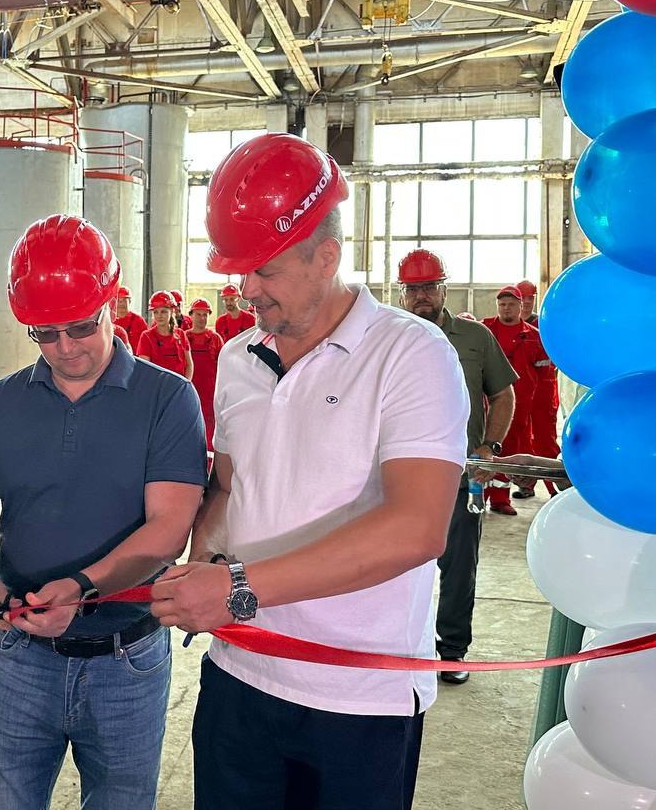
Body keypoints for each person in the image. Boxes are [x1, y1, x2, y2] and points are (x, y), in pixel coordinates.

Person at [150, 133, 469, 810]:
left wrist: (236, 588)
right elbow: (230, 486)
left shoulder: (411, 354)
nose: (245, 289)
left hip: (359, 693)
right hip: (240, 673)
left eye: (263, 270)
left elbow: (416, 528)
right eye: (238, 270)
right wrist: (201, 565)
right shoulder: (237, 358)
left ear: (327, 255)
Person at [0, 214, 207, 810]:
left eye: (81, 326)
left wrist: (82, 587)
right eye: (44, 333)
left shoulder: (167, 399)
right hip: (20, 656)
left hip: (127, 660)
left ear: (111, 301)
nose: (65, 348)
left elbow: (169, 528)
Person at [397, 249, 516, 685]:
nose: (422, 296)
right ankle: (395, 648)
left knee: (460, 566)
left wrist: (490, 447)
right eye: (413, 289)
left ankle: (451, 651)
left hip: (461, 475)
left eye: (430, 286)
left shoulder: (474, 337)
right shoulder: (386, 335)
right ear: (401, 293)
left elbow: (502, 394)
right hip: (397, 477)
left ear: (444, 289)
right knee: (390, 564)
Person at [482, 287, 550, 515]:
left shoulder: (534, 337)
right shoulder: (484, 331)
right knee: (483, 449)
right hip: (486, 404)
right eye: (502, 304)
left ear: (521, 307)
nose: (506, 308)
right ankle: (478, 497)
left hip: (519, 408)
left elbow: (544, 374)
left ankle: (500, 499)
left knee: (510, 451)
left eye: (511, 304)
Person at [514, 279, 561, 498]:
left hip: (543, 389)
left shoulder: (544, 324)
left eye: (530, 298)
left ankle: (556, 488)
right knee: (521, 439)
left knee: (545, 439)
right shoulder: (507, 326)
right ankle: (527, 485)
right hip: (519, 391)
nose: (526, 302)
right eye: (522, 298)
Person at [187, 297, 224, 451]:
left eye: (205, 315)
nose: (202, 318)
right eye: (198, 314)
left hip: (210, 393)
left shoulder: (215, 339)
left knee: (209, 430)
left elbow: (223, 366)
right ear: (191, 315)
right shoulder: (183, 337)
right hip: (189, 390)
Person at [136, 291, 193, 379]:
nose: (159, 316)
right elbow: (145, 369)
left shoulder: (181, 334)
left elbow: (189, 365)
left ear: (172, 311)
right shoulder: (146, 336)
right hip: (156, 385)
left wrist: (186, 383)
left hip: (178, 385)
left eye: (163, 312)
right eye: (156, 312)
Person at [111, 286, 148, 351]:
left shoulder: (139, 321)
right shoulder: (110, 320)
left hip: (136, 356)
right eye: (119, 301)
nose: (121, 303)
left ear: (130, 301)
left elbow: (147, 342)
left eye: (124, 300)